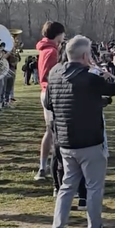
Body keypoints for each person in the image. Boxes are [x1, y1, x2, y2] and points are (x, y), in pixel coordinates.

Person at [45, 35, 115, 228]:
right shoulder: (89, 76)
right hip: (89, 140)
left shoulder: (55, 73)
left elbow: (49, 102)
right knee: (93, 187)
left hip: (65, 139)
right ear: (85, 55)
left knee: (67, 186)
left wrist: (95, 102)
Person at [36, 21, 66, 181]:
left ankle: (44, 166)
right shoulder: (50, 51)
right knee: (53, 132)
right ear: (58, 34)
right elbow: (47, 76)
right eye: (63, 33)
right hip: (50, 93)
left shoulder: (49, 49)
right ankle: (49, 168)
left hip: (47, 92)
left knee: (51, 131)